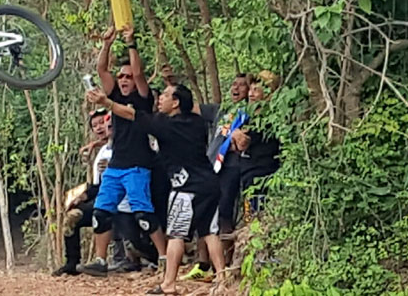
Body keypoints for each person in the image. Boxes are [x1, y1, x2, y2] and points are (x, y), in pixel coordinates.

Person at [92, 83, 227, 295]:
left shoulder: (165, 125)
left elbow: (131, 114)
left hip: (185, 188)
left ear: (176, 103)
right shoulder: (197, 122)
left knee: (176, 235)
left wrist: (106, 102)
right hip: (209, 184)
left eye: (165, 95)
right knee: (210, 232)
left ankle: (169, 283)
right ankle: (222, 278)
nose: (160, 98)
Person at [77, 25, 167, 277]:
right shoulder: (114, 93)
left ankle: (163, 256)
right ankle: (100, 260)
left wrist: (130, 42)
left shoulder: (142, 98)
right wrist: (106, 44)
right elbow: (101, 70)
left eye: (128, 77)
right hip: (116, 164)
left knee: (143, 213)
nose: (125, 79)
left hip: (138, 164)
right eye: (121, 76)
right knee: (101, 212)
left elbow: (138, 73)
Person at [186, 72, 252, 281]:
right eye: (234, 84)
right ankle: (202, 263)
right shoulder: (221, 110)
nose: (236, 88)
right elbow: (190, 106)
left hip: (231, 167)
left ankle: (224, 265)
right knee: (202, 211)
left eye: (242, 85)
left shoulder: (250, 113)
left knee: (224, 213)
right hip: (210, 166)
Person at [53, 107, 112, 276]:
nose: (100, 128)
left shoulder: (126, 147)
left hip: (120, 201)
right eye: (95, 125)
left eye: (103, 123)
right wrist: (81, 197)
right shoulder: (102, 151)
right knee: (72, 215)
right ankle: (72, 263)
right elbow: (97, 185)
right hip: (101, 197)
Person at [237, 71, 281, 219]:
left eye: (256, 90)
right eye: (250, 89)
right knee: (249, 215)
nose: (251, 94)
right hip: (247, 172)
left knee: (258, 216)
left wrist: (239, 136)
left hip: (263, 172)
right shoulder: (246, 115)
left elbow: (243, 142)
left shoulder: (272, 117)